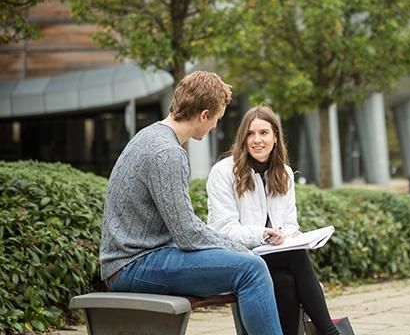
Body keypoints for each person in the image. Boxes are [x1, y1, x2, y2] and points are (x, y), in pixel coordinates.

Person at [99, 72, 283, 335]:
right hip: (134, 265)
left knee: (247, 265)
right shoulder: (169, 153)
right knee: (252, 269)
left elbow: (185, 230)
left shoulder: (149, 135)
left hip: (131, 260)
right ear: (204, 115)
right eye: (217, 119)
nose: (215, 127)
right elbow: (187, 234)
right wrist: (240, 249)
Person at [207, 106, 341, 335]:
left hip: (274, 257)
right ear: (242, 138)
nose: (257, 140)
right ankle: (330, 331)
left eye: (264, 133)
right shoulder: (224, 172)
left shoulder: (285, 174)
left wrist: (288, 235)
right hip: (237, 259)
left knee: (286, 282)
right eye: (250, 134)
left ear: (276, 137)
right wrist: (262, 234)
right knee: (296, 257)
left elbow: (290, 224)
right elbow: (222, 230)